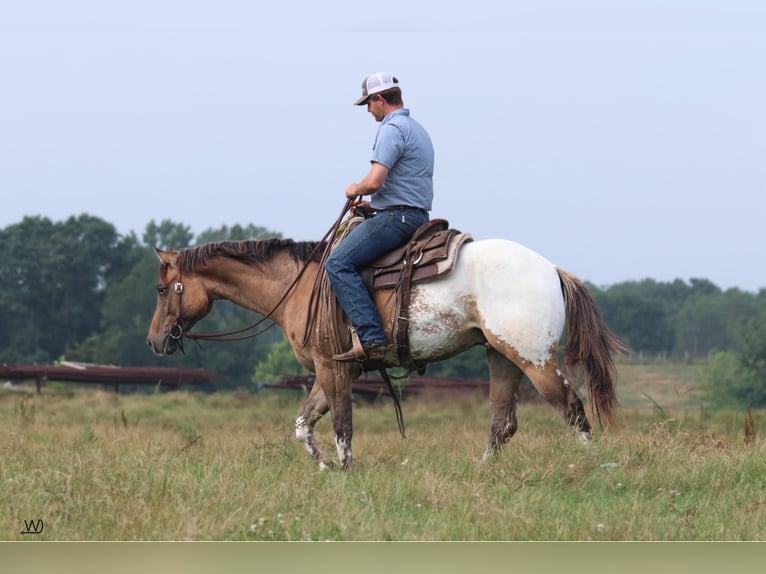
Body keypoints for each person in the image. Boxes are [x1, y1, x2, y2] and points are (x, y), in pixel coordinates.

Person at [326, 72, 434, 365]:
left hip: (398, 218)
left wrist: (354, 189)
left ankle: (373, 339)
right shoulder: (416, 129)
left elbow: (374, 180)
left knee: (337, 263)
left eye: (368, 104)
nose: (368, 111)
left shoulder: (391, 129)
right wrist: (373, 205)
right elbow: (404, 185)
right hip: (413, 214)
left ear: (380, 99)